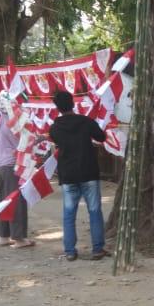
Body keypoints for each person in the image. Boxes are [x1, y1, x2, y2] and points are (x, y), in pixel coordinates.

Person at [49, 90, 108, 261]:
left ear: (57, 108)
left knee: (69, 213)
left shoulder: (55, 128)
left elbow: (55, 140)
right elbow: (101, 137)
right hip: (88, 171)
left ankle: (69, 251)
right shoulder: (86, 122)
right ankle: (97, 249)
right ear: (73, 104)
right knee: (95, 211)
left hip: (68, 175)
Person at [0, 98, 33, 248]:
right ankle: (19, 238)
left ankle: (4, 235)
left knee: (5, 200)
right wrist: (37, 139)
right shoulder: (13, 122)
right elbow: (23, 143)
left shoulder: (2, 119)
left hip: (3, 165)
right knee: (16, 201)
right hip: (12, 165)